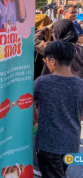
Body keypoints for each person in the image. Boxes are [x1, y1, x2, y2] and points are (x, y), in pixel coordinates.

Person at [34, 40, 83, 177]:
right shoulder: (80, 84)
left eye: (46, 60)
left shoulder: (42, 83)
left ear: (53, 61)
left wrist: (36, 119)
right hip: (71, 143)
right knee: (60, 171)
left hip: (49, 143)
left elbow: (29, 101)